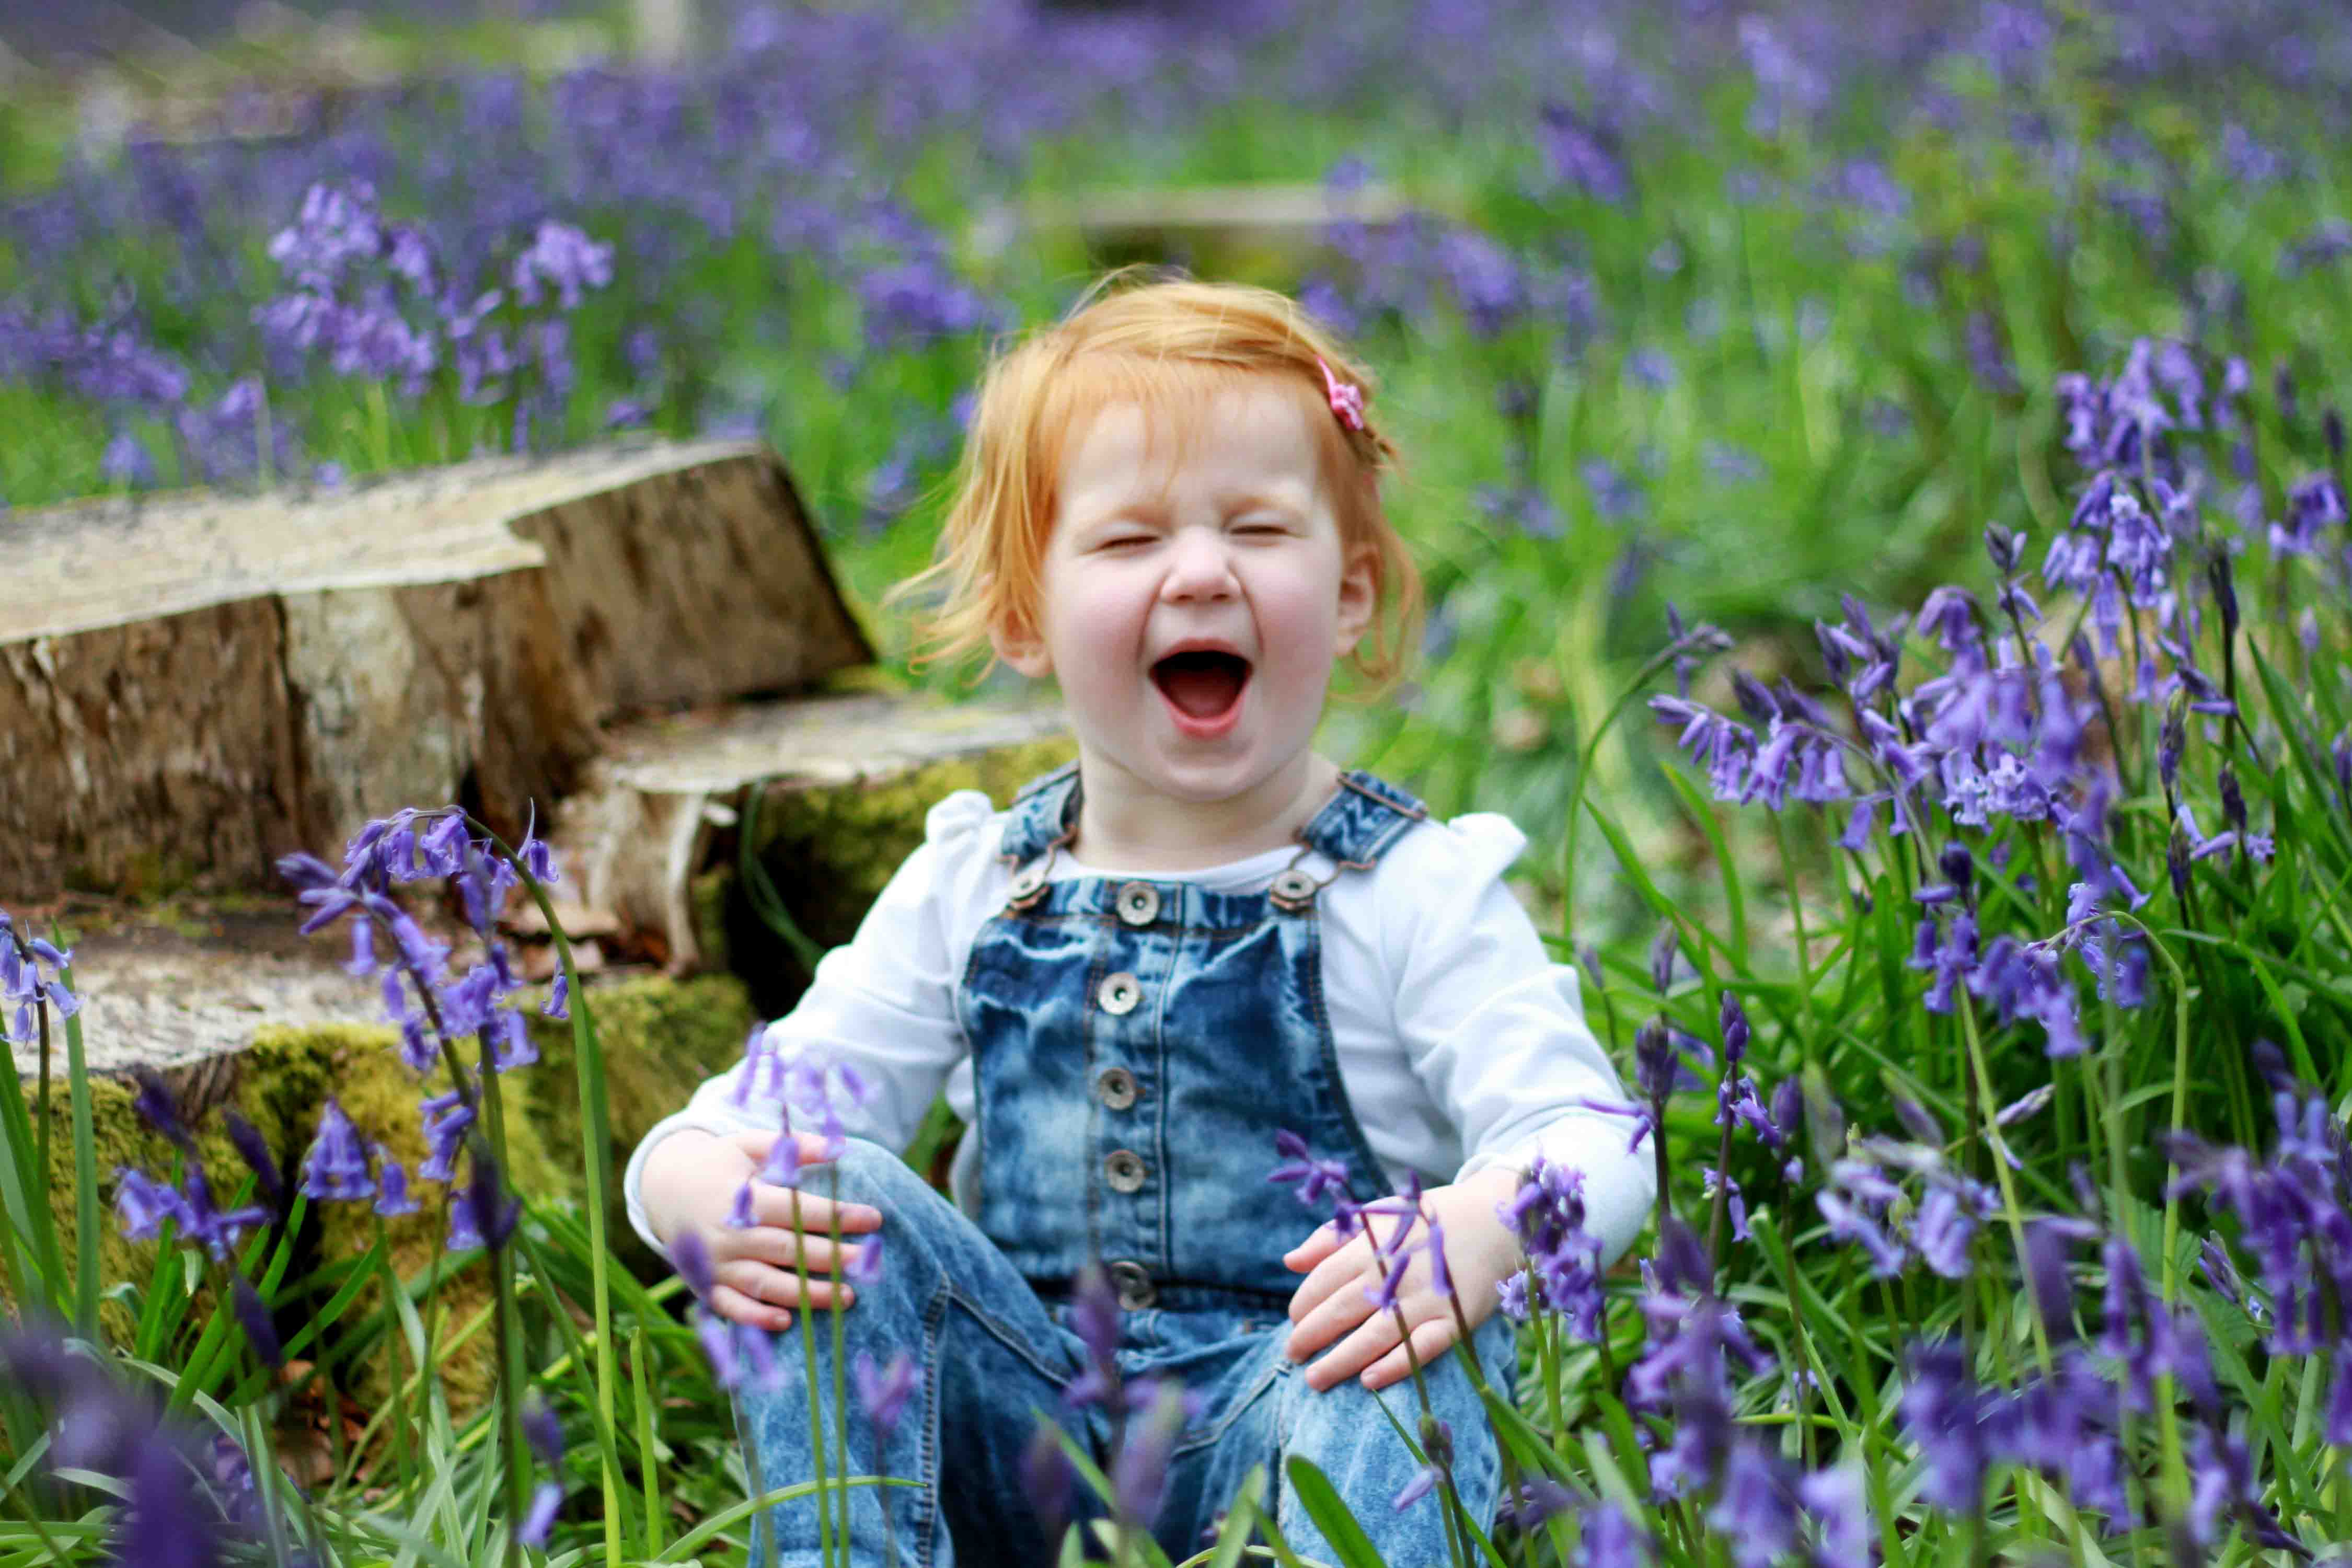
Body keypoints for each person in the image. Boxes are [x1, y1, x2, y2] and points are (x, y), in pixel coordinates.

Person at [625, 273, 1653, 1566]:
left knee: (1413, 1310)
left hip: (1298, 1440)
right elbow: (740, 1121)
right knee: (812, 1200)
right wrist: (690, 1186)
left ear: (1350, 593)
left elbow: (1595, 1136)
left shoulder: (1413, 890)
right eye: (1128, 542)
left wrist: (1482, 1230)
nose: (1204, 572)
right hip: (1016, 1435)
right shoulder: (973, 884)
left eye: (1261, 529)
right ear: (1024, 614)